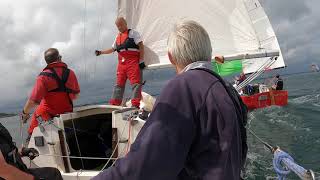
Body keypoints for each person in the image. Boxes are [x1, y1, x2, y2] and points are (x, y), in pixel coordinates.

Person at [92, 20, 247, 180]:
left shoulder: (183, 88)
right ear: (208, 52)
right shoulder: (228, 89)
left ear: (171, 57)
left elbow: (146, 167)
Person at [21, 48, 80, 142]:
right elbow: (75, 96)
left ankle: (30, 144)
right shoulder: (71, 73)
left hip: (47, 116)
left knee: (33, 129)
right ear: (59, 58)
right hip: (66, 114)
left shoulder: (43, 76)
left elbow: (33, 101)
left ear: (47, 62)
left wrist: (25, 113)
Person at [95, 17, 145, 108]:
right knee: (119, 84)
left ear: (125, 23)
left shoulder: (133, 33)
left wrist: (141, 60)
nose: (119, 27)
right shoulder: (117, 37)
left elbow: (141, 46)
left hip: (132, 62)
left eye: (121, 25)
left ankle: (135, 105)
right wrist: (101, 52)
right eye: (118, 26)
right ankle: (115, 104)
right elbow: (112, 49)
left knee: (136, 83)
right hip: (121, 64)